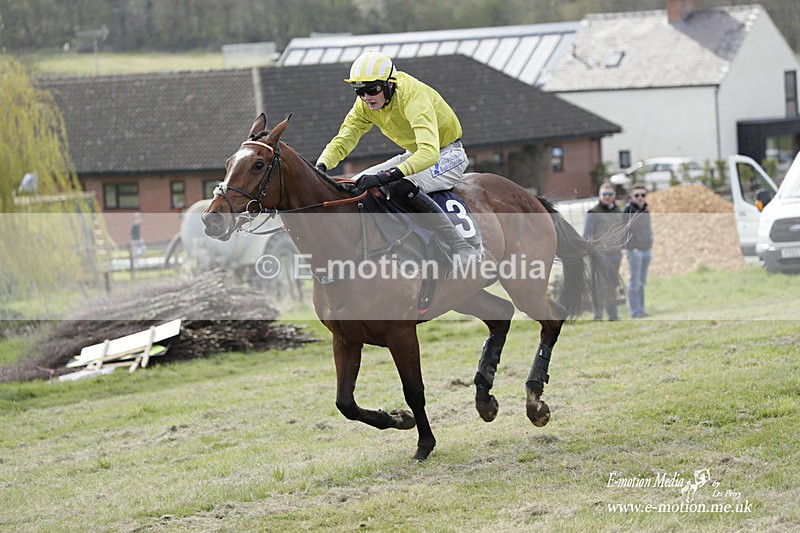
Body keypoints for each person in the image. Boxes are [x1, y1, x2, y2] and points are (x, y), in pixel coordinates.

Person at [315, 50, 478, 262]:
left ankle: (460, 245)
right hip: (417, 153)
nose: (366, 97)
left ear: (389, 84)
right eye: (359, 91)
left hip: (448, 154)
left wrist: (386, 176)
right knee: (354, 186)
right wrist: (321, 167)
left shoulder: (412, 96)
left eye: (372, 89)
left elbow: (429, 153)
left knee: (400, 185)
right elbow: (344, 139)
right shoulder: (366, 105)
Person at [583, 182, 623, 320]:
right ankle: (598, 314)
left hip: (616, 253)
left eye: (609, 194)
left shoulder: (618, 211)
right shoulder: (593, 213)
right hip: (600, 254)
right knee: (600, 285)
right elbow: (587, 235)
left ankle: (613, 315)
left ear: (614, 195)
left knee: (613, 284)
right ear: (599, 195)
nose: (607, 197)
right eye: (604, 194)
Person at [623, 184, 653, 318]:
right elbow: (622, 231)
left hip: (646, 250)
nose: (640, 198)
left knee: (642, 282)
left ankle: (641, 310)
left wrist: (650, 242)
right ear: (631, 197)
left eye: (643, 195)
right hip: (634, 251)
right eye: (637, 195)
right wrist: (631, 247)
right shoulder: (627, 211)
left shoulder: (646, 210)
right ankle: (634, 312)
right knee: (634, 282)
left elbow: (648, 229)